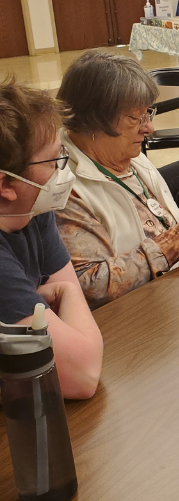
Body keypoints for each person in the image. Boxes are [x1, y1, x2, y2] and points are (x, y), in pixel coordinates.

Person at [55, 51, 179, 309]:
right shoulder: (65, 188)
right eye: (135, 118)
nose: (149, 128)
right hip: (132, 321)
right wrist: (177, 240)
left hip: (172, 299)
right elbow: (89, 285)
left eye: (148, 114)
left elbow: (157, 223)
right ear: (94, 122)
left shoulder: (130, 158)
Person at [0, 78, 103, 400]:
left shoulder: (31, 213)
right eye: (53, 161)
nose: (63, 172)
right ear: (6, 185)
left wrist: (66, 297)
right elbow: (83, 375)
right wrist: (69, 292)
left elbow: (70, 332)